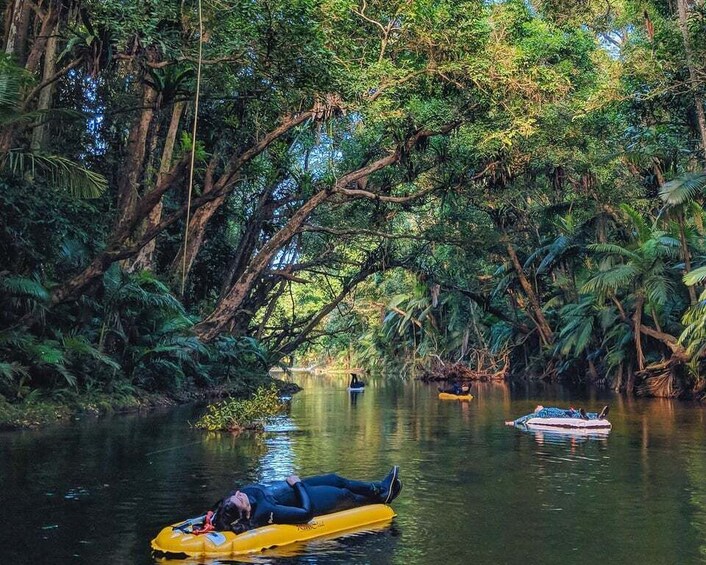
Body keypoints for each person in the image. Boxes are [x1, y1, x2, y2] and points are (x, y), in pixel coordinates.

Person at [211, 466, 402, 533]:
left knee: (337, 479)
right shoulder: (265, 510)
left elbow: (216, 510)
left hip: (299, 486)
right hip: (307, 497)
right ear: (245, 512)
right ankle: (381, 498)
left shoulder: (228, 505)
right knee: (345, 495)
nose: (238, 494)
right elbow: (305, 514)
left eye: (236, 496)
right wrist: (297, 485)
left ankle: (380, 489)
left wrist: (205, 521)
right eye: (240, 500)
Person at [506, 404, 610, 426]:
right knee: (574, 414)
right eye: (537, 407)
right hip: (560, 415)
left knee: (574, 413)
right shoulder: (540, 414)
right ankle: (587, 416)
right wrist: (513, 422)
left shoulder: (548, 409)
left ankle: (599, 416)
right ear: (537, 411)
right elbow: (526, 417)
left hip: (564, 412)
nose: (538, 406)